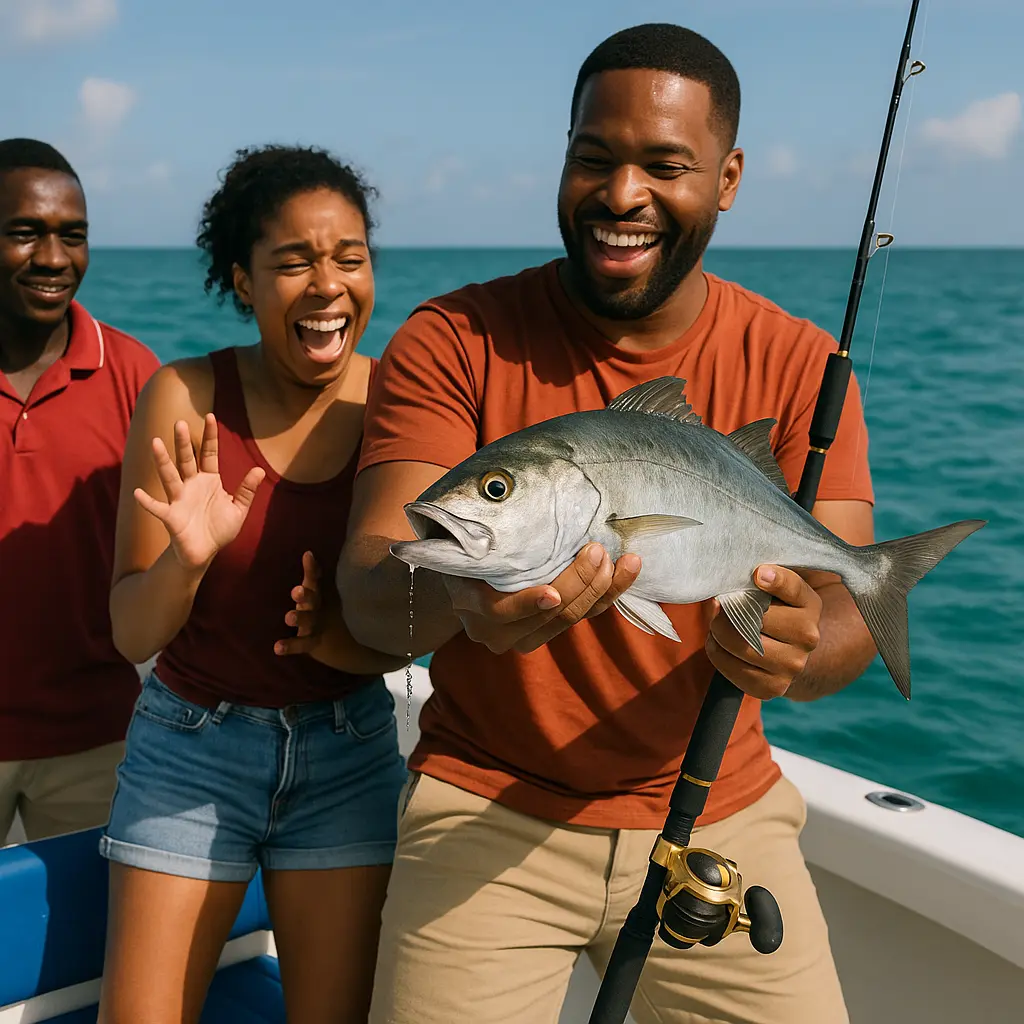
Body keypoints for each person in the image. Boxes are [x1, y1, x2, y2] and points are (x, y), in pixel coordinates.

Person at [341, 23, 876, 1024]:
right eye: (594, 157)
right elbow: (375, 591)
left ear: (726, 179)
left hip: (725, 805)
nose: (621, 194)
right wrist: (462, 601)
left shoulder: (803, 361)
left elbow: (840, 611)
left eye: (663, 165)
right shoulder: (448, 339)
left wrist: (797, 651)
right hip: (482, 808)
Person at [97, 144, 408, 1024]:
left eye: (349, 258)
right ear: (241, 280)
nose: (327, 285)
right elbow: (130, 634)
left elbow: (422, 618)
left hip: (348, 750)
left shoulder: (398, 405)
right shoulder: (183, 398)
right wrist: (186, 560)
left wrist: (338, 639)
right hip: (190, 748)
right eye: (293, 262)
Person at [0, 138, 159, 844]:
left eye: (73, 236)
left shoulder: (135, 375)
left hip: (98, 739)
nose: (54, 259)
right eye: (26, 233)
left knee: (85, 954)